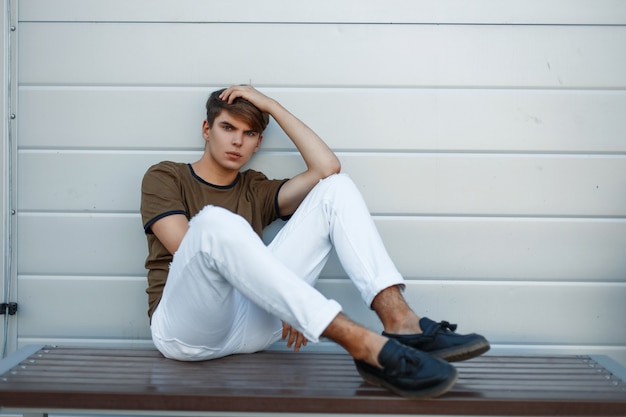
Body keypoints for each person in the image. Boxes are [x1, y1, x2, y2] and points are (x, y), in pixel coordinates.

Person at [140, 85, 490, 399]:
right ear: (207, 129)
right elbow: (185, 248)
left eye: (249, 134)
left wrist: (272, 106)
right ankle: (362, 344)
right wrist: (286, 297)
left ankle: (400, 322)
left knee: (335, 188)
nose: (237, 141)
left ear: (258, 143)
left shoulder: (255, 188)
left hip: (251, 329)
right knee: (214, 223)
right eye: (228, 128)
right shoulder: (165, 176)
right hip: (187, 333)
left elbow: (327, 167)